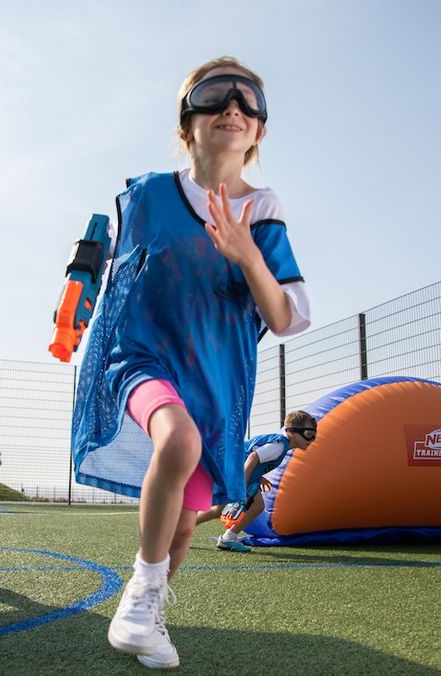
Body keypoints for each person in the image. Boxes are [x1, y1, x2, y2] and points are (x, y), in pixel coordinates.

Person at [71, 56, 311, 669]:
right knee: (174, 442)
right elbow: (103, 257)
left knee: (186, 522)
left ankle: (150, 613)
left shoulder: (263, 211)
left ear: (259, 130)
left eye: (248, 100)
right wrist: (75, 298)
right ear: (187, 125)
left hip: (214, 380)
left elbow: (286, 316)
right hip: (141, 356)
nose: (232, 107)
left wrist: (246, 255)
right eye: (213, 96)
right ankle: (139, 594)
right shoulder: (149, 194)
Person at [196, 410, 318, 552]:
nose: (312, 439)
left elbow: (254, 457)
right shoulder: (279, 446)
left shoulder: (280, 445)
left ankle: (228, 537)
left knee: (257, 505)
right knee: (218, 509)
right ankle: (182, 528)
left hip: (239, 470)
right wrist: (241, 486)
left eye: (314, 436)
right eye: (309, 435)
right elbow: (253, 457)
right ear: (292, 432)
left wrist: (259, 477)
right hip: (233, 470)